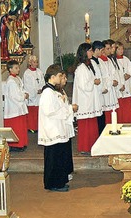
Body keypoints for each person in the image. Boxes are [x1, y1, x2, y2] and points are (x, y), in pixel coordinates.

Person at [38, 64, 76, 192]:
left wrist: (68, 108)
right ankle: (53, 183)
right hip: (52, 129)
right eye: (60, 76)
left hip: (59, 128)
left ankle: (60, 181)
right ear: (52, 77)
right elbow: (49, 111)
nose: (62, 79)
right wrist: (69, 109)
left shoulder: (55, 91)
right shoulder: (47, 92)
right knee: (53, 158)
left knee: (59, 156)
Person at [72, 43, 102, 155]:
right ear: (84, 52)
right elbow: (84, 86)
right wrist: (94, 81)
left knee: (92, 124)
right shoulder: (81, 68)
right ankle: (85, 147)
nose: (91, 52)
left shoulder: (88, 65)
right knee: (85, 125)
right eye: (89, 50)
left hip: (90, 100)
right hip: (84, 101)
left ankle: (92, 146)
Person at [3, 60, 29, 151]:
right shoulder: (10, 81)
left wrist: (24, 93)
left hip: (19, 107)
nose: (18, 69)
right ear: (10, 69)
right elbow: (14, 96)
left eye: (18, 67)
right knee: (16, 127)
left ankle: (22, 143)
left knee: (21, 127)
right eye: (16, 68)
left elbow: (21, 89)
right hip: (14, 108)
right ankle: (15, 145)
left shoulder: (17, 78)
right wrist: (24, 96)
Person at [90, 41, 109, 134]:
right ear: (96, 50)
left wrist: (105, 87)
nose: (102, 52)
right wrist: (100, 88)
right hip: (96, 93)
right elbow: (94, 79)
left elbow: (104, 75)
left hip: (102, 92)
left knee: (102, 116)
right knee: (98, 118)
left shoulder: (99, 61)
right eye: (101, 50)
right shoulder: (91, 62)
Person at [114, 41, 131, 123]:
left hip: (127, 86)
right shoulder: (114, 60)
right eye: (119, 49)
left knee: (128, 109)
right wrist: (121, 79)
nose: (121, 51)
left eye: (122, 49)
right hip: (119, 87)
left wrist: (129, 75)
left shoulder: (126, 59)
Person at [23, 55, 45, 132]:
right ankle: (32, 127)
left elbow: (42, 81)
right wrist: (36, 91)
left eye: (37, 62)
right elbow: (28, 85)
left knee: (38, 111)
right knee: (32, 112)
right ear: (30, 62)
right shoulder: (27, 73)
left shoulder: (39, 71)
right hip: (32, 96)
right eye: (34, 62)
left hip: (39, 95)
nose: (36, 64)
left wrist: (41, 89)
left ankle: (39, 127)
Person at [100, 39, 120, 125]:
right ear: (103, 49)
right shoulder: (99, 61)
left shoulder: (109, 60)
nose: (110, 50)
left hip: (111, 89)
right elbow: (102, 76)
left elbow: (113, 72)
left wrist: (115, 81)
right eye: (107, 48)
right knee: (106, 111)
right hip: (105, 90)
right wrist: (111, 82)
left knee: (112, 111)